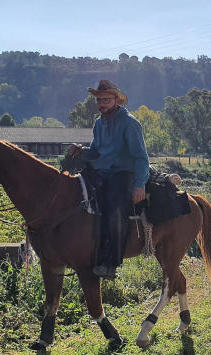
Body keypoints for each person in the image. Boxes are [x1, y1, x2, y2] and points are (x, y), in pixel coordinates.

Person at [68, 80, 149, 279]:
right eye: (99, 100)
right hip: (102, 172)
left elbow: (141, 157)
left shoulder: (130, 123)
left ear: (116, 100)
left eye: (106, 100)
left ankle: (111, 261)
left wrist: (140, 185)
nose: (102, 103)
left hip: (123, 173)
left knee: (114, 208)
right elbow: (95, 152)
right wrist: (81, 151)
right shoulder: (99, 123)